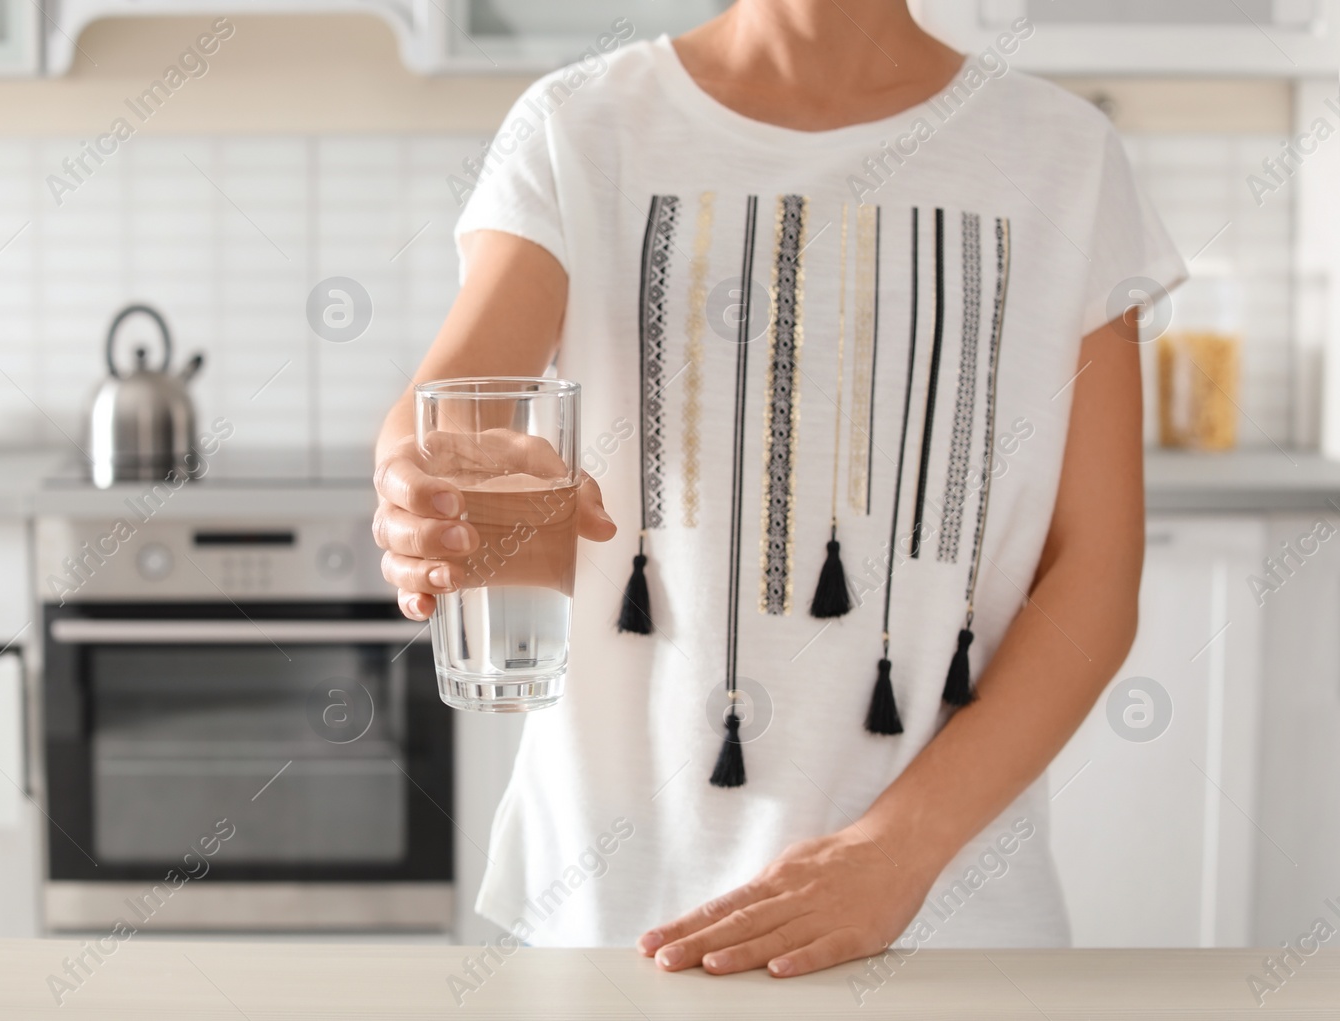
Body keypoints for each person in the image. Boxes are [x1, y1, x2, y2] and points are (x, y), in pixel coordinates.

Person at [372, 0, 1183, 978]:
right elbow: (451, 411)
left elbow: (1094, 570)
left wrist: (895, 852)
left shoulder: (1065, 156)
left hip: (949, 925)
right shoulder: (579, 125)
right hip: (624, 922)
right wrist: (424, 484)